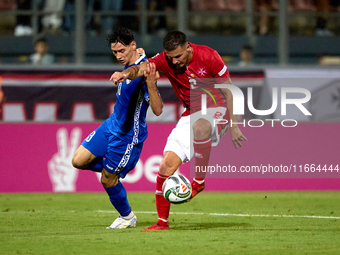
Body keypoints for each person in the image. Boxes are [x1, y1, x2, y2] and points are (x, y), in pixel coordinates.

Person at [110, 30, 247, 231]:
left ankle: (198, 181)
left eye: (179, 56)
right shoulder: (165, 59)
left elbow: (230, 90)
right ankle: (162, 223)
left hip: (218, 109)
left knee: (201, 127)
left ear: (188, 47)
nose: (174, 62)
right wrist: (125, 74)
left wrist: (234, 125)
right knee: (165, 167)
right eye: (171, 57)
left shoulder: (209, 56)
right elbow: (140, 68)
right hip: (191, 112)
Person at [72, 27, 163, 229]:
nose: (119, 56)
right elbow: (135, 59)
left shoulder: (146, 71)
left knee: (106, 180)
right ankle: (112, 171)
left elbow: (157, 109)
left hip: (127, 135)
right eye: (115, 52)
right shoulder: (135, 55)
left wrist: (151, 85)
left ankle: (127, 217)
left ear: (131, 46)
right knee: (77, 160)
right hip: (111, 125)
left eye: (122, 51)